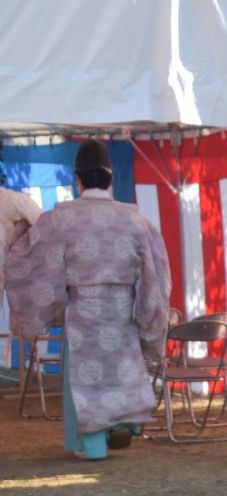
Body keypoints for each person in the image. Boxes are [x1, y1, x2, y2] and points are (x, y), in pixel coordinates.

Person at [5, 139, 171, 460]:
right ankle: (122, 423)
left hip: (83, 313)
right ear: (111, 178)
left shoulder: (61, 220)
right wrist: (149, 321)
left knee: (87, 379)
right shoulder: (138, 222)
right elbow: (157, 277)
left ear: (77, 179)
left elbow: (32, 260)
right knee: (120, 373)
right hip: (122, 313)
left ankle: (93, 443)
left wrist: (14, 240)